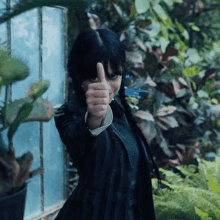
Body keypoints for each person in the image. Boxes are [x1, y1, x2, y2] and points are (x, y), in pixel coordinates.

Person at [54, 28, 161, 220]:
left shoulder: (121, 111)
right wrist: (94, 118)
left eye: (113, 76)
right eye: (94, 78)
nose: (105, 86)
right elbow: (79, 140)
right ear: (78, 77)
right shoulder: (70, 113)